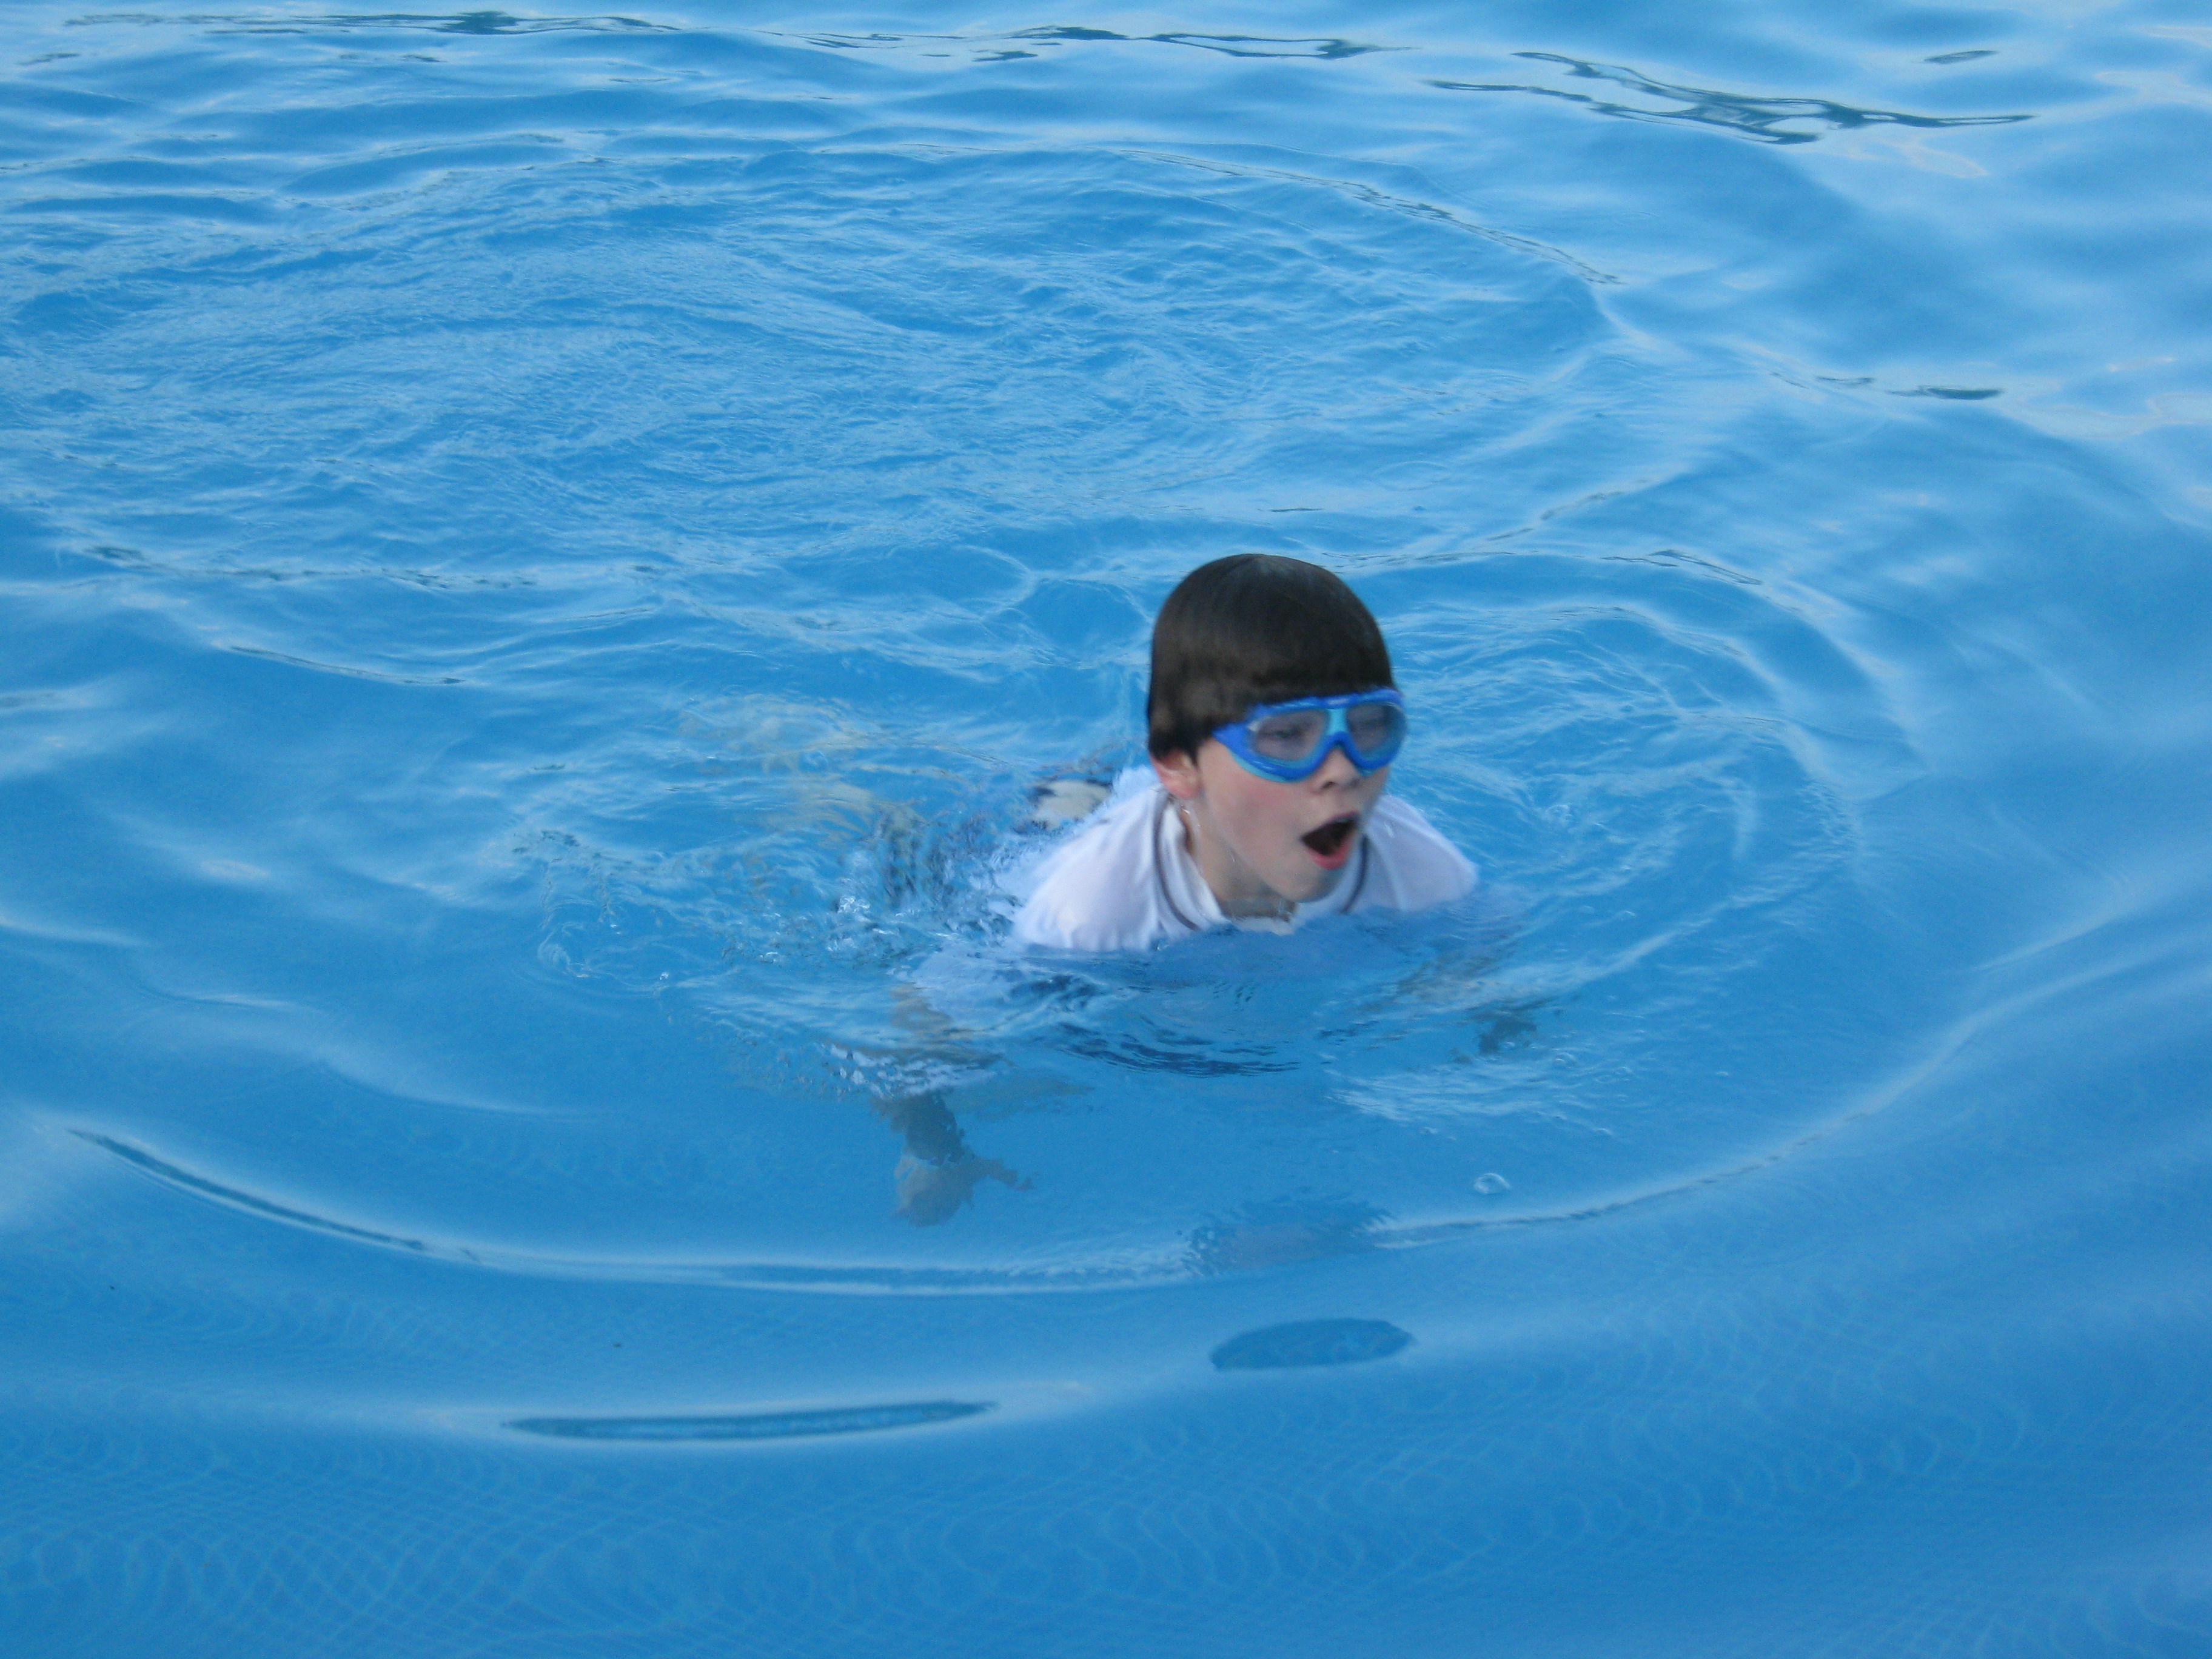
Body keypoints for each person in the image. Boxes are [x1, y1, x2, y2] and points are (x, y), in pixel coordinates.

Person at [1013, 554, 1475, 951]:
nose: (1344, 769)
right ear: (1178, 765)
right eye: (1286, 735)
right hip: (1085, 841)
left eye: (1370, 725)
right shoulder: (1087, 918)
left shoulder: (1426, 874)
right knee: (1056, 821)